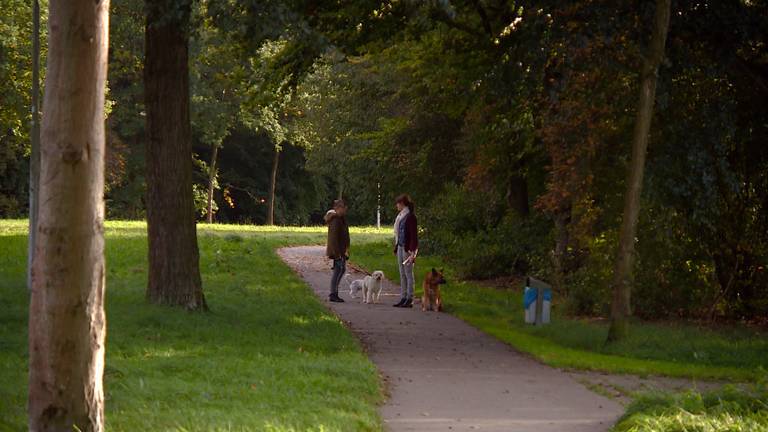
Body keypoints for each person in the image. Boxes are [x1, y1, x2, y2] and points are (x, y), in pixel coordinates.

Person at [393, 194, 418, 308]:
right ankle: (403, 297)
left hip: (408, 248)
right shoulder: (400, 216)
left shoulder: (410, 217)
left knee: (408, 273)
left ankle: (409, 298)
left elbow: (413, 235)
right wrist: (396, 246)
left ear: (403, 204)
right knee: (402, 273)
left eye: (398, 203)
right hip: (400, 247)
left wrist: (413, 251)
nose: (396, 205)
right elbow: (398, 234)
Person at [325, 199, 350, 303]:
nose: (345, 210)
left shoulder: (341, 219)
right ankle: (333, 293)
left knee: (341, 269)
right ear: (338, 208)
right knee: (338, 270)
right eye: (344, 208)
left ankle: (334, 292)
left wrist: (346, 249)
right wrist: (337, 253)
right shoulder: (335, 220)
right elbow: (333, 238)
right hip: (337, 251)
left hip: (342, 250)